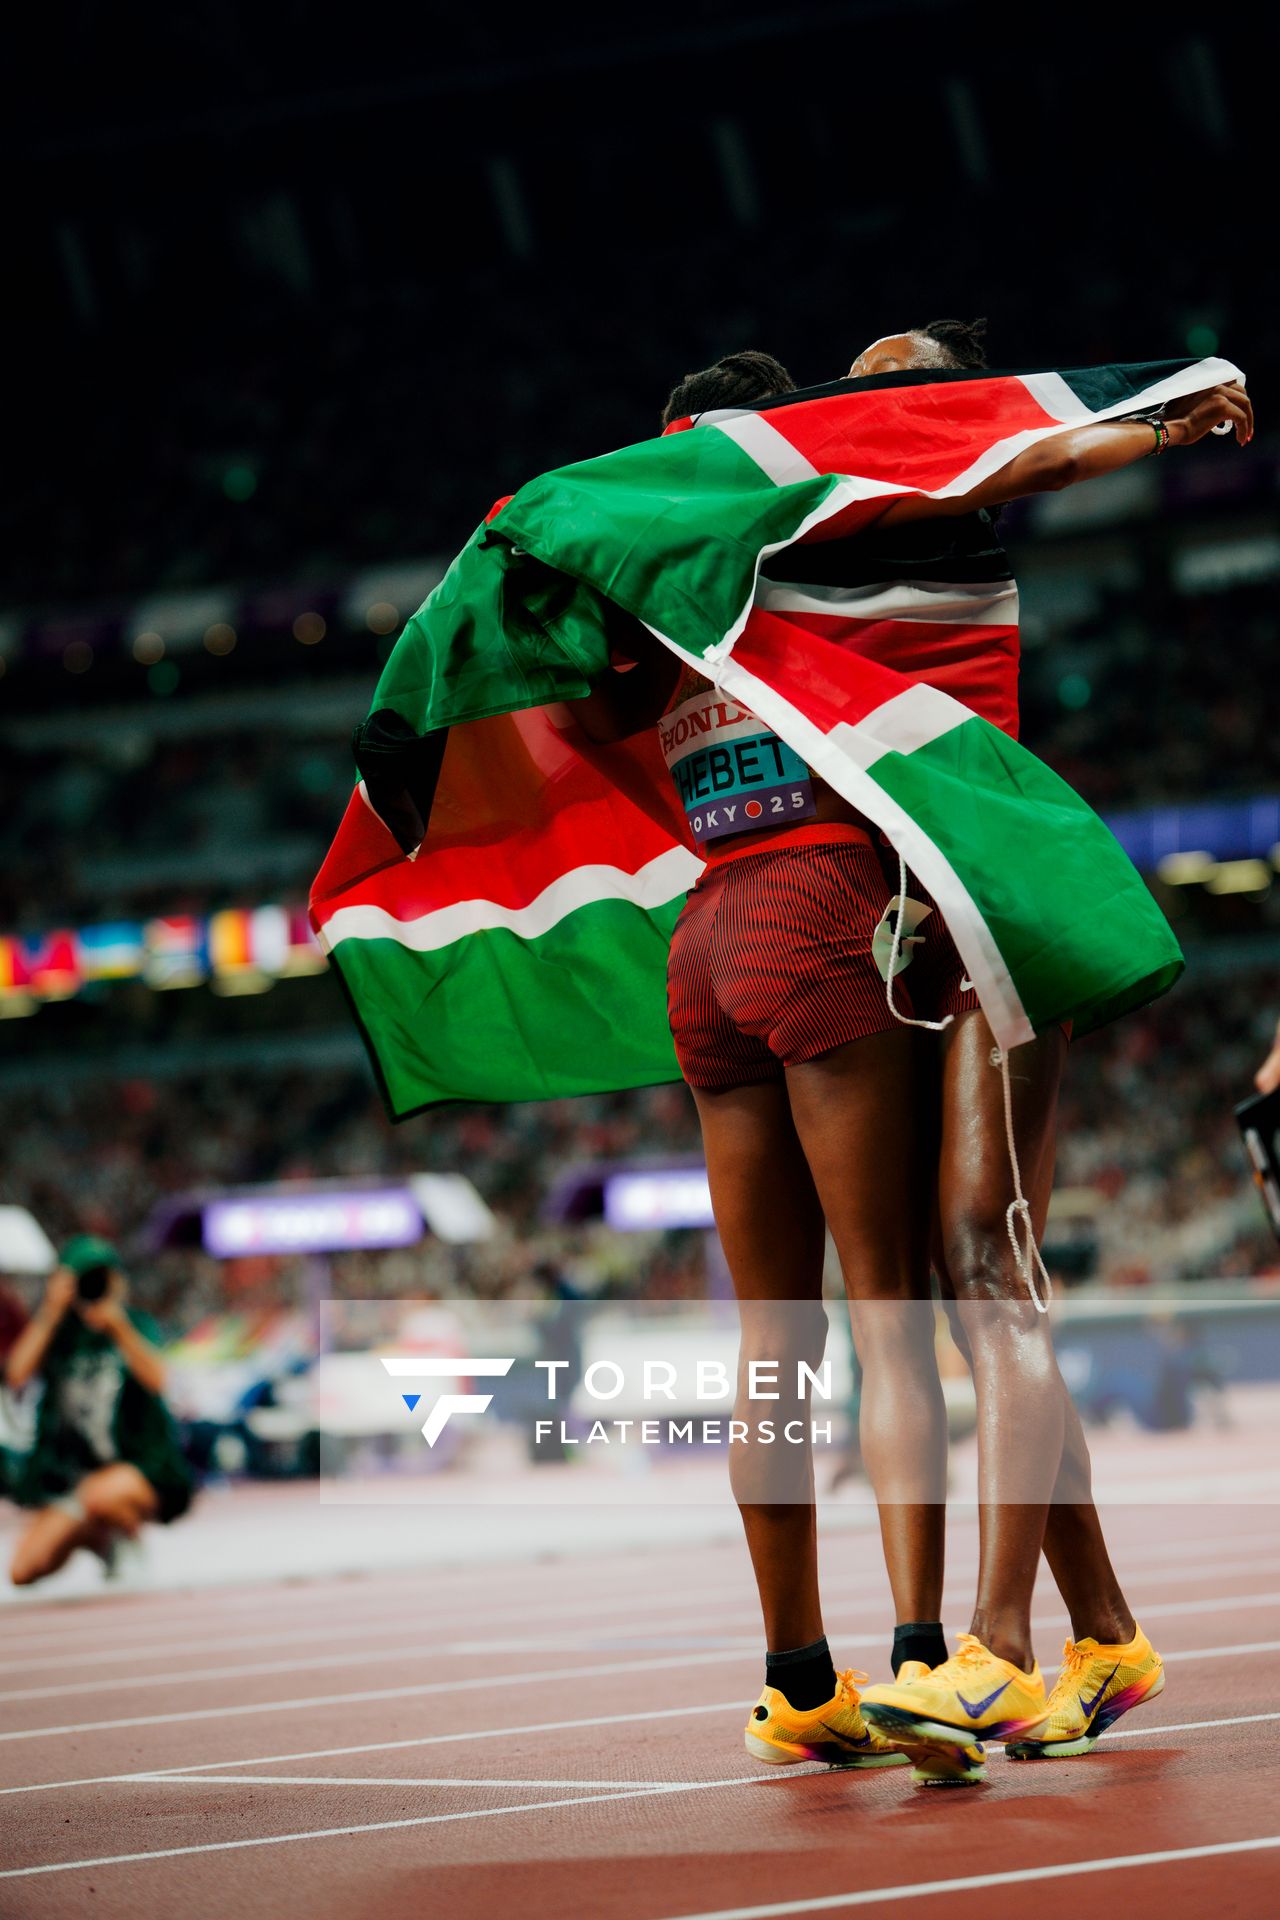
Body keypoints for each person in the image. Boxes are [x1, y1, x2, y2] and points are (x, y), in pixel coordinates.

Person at [571, 333, 1252, 1778]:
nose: (867, 392)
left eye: (904, 378)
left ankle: (986, 1654)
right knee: (953, 1283)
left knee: (975, 1273)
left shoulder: (935, 500)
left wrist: (1155, 409)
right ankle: (1102, 1635)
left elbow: (1025, 443)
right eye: (853, 379)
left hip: (989, 918)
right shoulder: (803, 547)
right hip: (891, 928)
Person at [4, 1236, 193, 1586]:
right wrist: (50, 1310)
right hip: (74, 1479)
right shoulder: (57, 1332)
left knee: (100, 1496)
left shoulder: (134, 1324)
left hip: (136, 1470)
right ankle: (100, 1540)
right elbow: (16, 1374)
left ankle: (127, 1537)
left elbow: (158, 1379)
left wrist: (117, 1325)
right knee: (22, 1570)